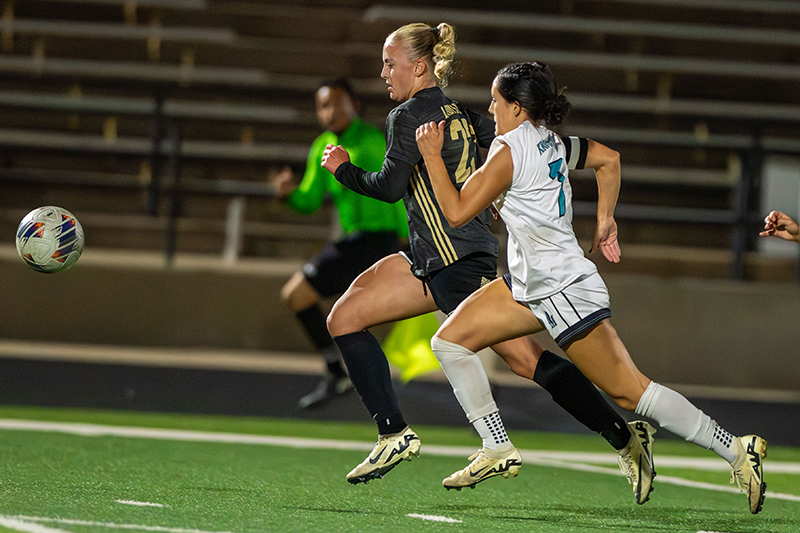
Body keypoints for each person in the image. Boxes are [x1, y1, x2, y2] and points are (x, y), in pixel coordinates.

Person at [321, 22, 655, 500]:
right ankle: (394, 433)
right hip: (432, 253)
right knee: (345, 316)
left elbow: (391, 189)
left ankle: (621, 437)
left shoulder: (408, 115)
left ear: (418, 66)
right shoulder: (459, 111)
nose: (383, 72)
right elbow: (508, 137)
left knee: (527, 360)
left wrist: (343, 169)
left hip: (454, 255)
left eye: (390, 63)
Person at [415, 61, 768, 513]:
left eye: (496, 101)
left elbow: (457, 211)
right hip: (530, 285)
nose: (491, 108)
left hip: (562, 288)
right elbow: (608, 159)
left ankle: (738, 450)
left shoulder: (507, 150)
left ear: (518, 108)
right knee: (450, 342)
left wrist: (430, 155)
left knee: (631, 391)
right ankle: (497, 446)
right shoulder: (554, 141)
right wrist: (606, 218)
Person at [272, 78, 408, 409]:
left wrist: (408, 239)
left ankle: (341, 374)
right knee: (318, 305)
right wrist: (289, 195)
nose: (330, 111)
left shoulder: (371, 141)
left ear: (355, 105)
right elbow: (310, 200)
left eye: (337, 102)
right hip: (356, 241)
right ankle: (345, 375)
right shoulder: (322, 146)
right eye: (323, 105)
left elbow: (396, 190)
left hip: (379, 240)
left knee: (303, 297)